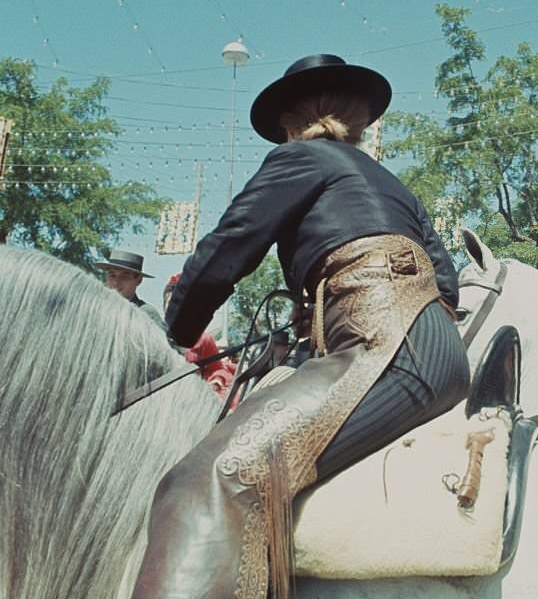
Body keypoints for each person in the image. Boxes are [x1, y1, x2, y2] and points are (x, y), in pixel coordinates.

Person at [131, 54, 471, 599]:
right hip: (439, 354)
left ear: (290, 124)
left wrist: (176, 329)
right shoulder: (393, 186)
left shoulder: (299, 160)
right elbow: (447, 286)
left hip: (383, 347)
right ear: (359, 121)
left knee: (211, 479)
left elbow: (228, 248)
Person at [97, 249, 166, 331]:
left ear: (139, 280)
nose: (116, 283)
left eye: (124, 276)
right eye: (112, 275)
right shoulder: (97, 310)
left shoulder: (146, 313)